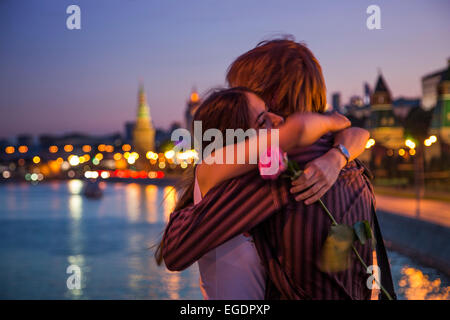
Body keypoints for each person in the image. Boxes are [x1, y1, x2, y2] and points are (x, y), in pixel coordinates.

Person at [160, 38, 396, 300]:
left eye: (240, 89)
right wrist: (338, 150)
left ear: (267, 97)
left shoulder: (278, 171)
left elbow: (176, 249)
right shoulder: (354, 166)